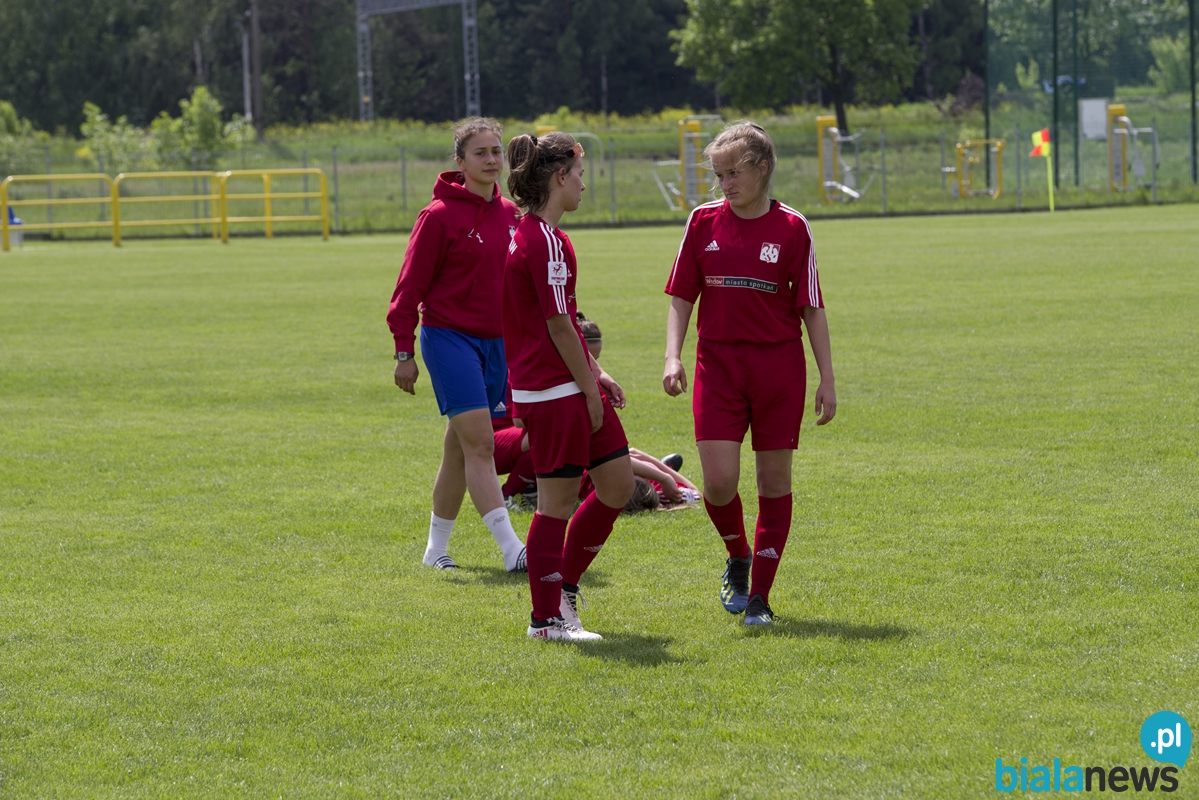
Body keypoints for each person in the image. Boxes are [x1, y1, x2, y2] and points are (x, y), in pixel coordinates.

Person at [662, 121, 837, 626]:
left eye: (734, 173)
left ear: (762, 168)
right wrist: (672, 356)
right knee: (718, 483)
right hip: (716, 365)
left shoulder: (793, 227)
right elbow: (682, 295)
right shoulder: (702, 222)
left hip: (778, 368)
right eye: (719, 175)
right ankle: (738, 556)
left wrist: (827, 378)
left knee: (773, 480)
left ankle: (759, 597)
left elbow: (812, 307)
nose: (725, 184)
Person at [503, 131, 635, 642]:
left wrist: (597, 374)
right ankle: (546, 620)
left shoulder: (540, 234)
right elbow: (559, 327)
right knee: (554, 506)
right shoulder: (544, 240)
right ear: (560, 177)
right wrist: (588, 390)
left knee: (617, 485)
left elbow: (564, 322)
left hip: (571, 384)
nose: (584, 184)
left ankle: (565, 591)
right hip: (555, 392)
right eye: (579, 175)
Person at [386, 117, 528, 574]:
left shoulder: (512, 214)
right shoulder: (437, 216)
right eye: (480, 152)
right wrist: (404, 352)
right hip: (449, 339)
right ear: (460, 161)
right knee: (482, 444)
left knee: (459, 447)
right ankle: (512, 549)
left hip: (498, 346)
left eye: (496, 151)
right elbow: (408, 289)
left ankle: (435, 550)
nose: (491, 160)